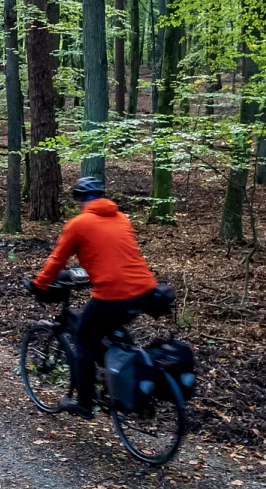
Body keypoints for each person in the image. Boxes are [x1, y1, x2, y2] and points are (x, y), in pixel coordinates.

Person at [27, 176, 166, 417]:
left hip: (113, 294)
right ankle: (128, 381)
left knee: (83, 339)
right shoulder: (122, 218)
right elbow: (115, 256)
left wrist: (39, 284)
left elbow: (57, 260)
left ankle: (84, 402)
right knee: (113, 333)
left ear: (81, 199)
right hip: (146, 291)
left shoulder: (79, 223)